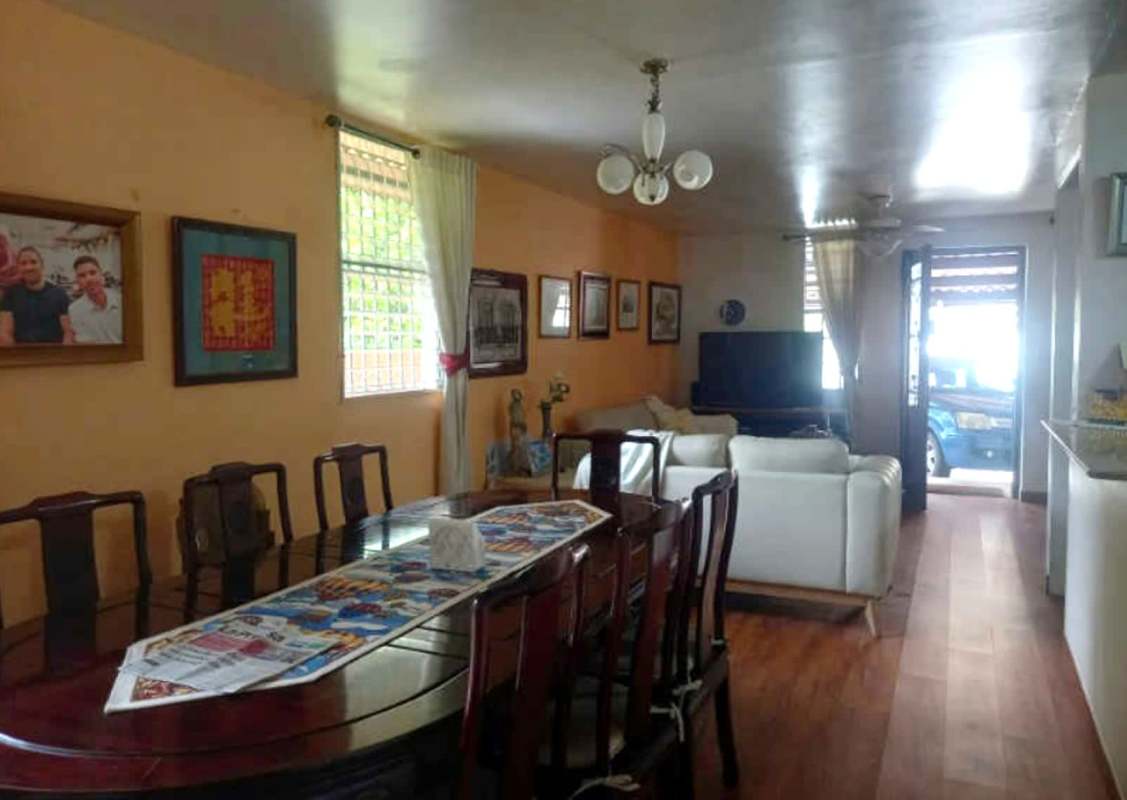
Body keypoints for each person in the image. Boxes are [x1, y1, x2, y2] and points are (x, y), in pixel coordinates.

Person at [0, 246, 73, 345]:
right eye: (23, 263)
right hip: (21, 352)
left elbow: (68, 332)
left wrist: (63, 353)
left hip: (54, 352)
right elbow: (5, 333)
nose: (29, 267)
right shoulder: (11, 294)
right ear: (18, 268)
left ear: (42, 265)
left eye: (33, 262)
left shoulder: (59, 294)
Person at [68, 255, 122, 344]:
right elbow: (87, 345)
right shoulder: (74, 310)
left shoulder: (122, 301)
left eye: (93, 273)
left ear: (101, 274)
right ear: (77, 281)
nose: (89, 279)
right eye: (82, 276)